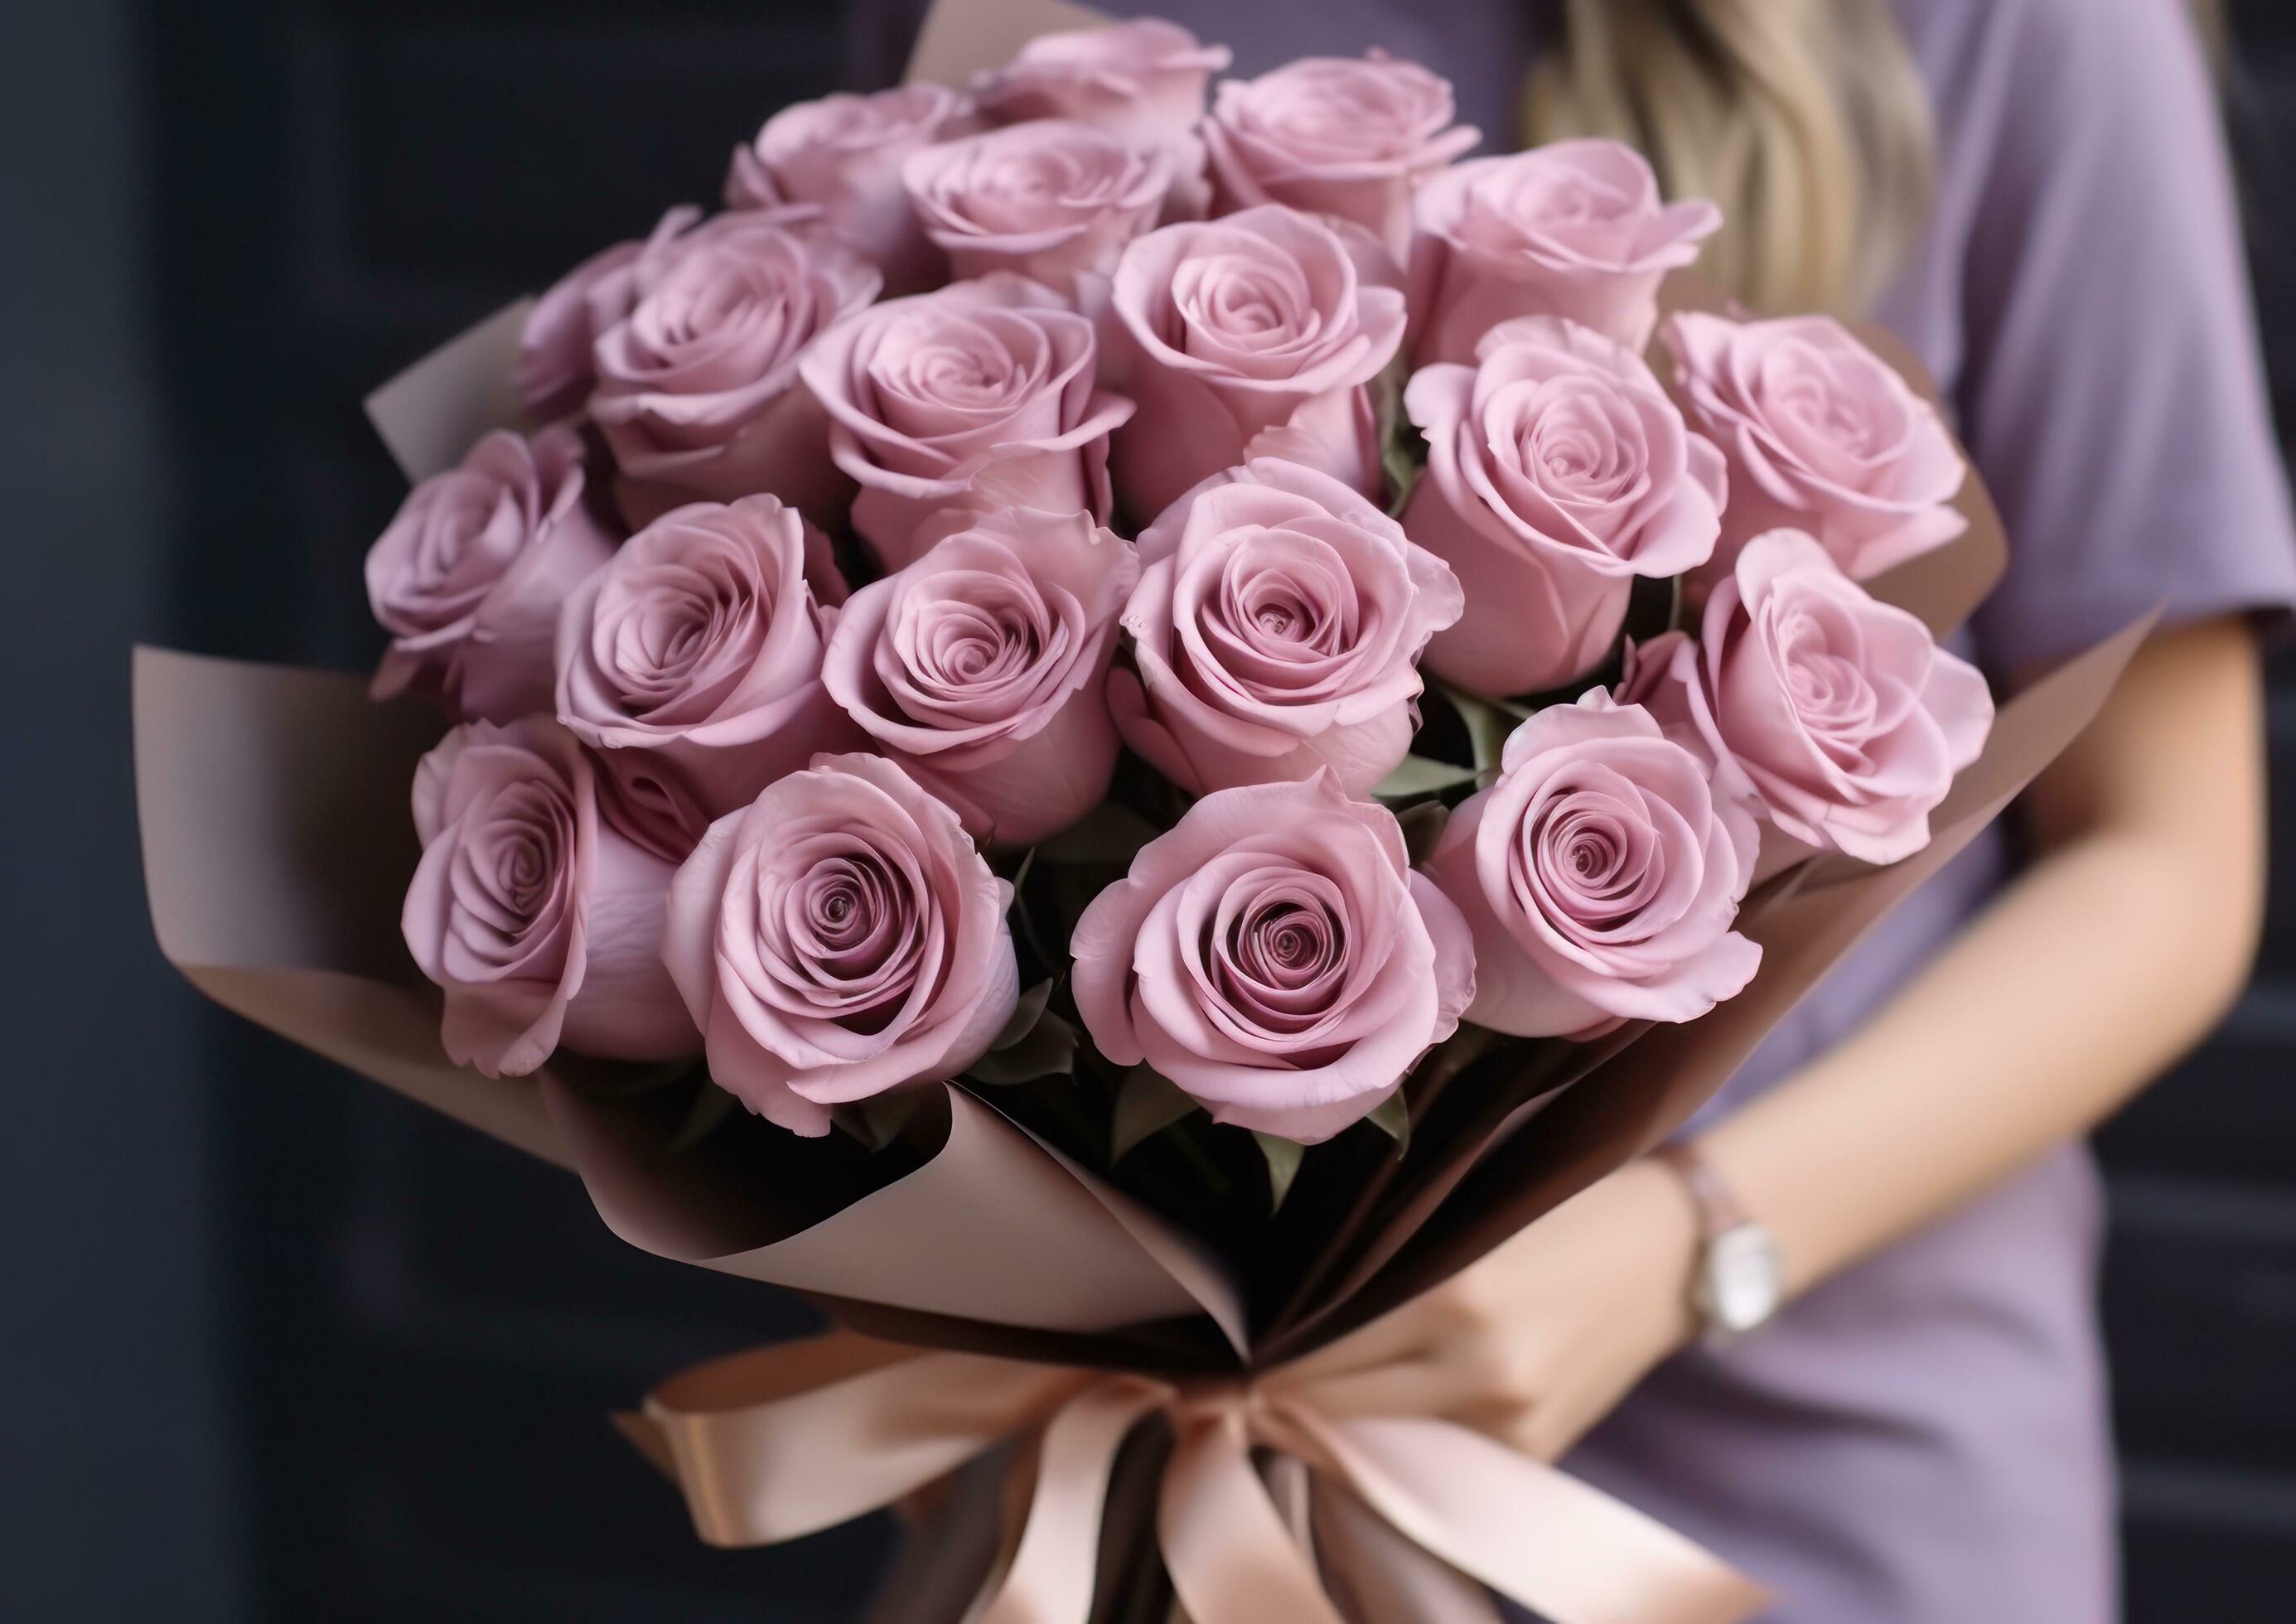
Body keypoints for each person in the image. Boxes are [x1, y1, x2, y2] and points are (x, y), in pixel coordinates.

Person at [864, 0, 2296, 1617]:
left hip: (1804, 1468)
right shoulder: (1031, 29)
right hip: (1132, 1457)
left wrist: (1685, 1241)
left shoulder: (2019, 29)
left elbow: (2169, 860)